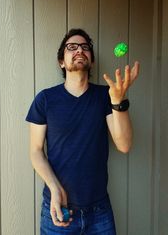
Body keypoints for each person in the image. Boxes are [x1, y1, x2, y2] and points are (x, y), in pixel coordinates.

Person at [26, 28, 140, 235]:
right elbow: (35, 151)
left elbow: (124, 145)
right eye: (72, 47)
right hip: (58, 208)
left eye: (85, 47)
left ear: (91, 61)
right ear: (62, 61)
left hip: (99, 212)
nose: (79, 50)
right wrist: (54, 188)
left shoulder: (105, 96)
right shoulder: (45, 99)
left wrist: (117, 101)